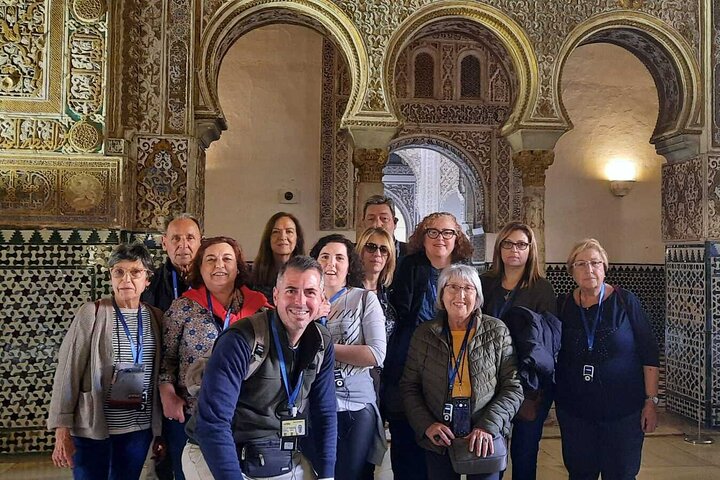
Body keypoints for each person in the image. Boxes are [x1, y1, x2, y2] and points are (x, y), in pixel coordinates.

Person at [189, 256, 338, 479]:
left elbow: (325, 413)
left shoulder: (322, 341)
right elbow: (214, 423)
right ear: (275, 296)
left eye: (310, 292)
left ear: (321, 299)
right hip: (218, 453)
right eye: (291, 291)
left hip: (278, 453)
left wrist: (327, 475)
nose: (300, 301)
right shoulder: (241, 340)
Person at [48, 243, 163, 479]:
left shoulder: (156, 317)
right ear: (111, 276)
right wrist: (62, 429)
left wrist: (159, 431)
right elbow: (68, 372)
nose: (126, 279)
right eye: (119, 272)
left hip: (137, 429)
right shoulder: (93, 312)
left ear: (147, 279)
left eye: (135, 272)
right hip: (92, 428)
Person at [159, 236, 270, 479]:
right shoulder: (182, 308)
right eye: (210, 259)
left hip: (244, 415)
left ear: (238, 267)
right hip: (193, 413)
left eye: (227, 259)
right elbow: (166, 359)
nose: (219, 265)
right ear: (200, 268)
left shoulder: (260, 309)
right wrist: (167, 394)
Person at [401, 264, 523, 480]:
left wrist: (488, 426)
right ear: (441, 294)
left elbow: (513, 387)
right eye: (453, 287)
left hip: (484, 436)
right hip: (440, 437)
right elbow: (409, 386)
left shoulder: (497, 331)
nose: (460, 295)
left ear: (477, 297)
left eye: (468, 288)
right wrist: (427, 425)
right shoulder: (424, 334)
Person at [555, 239, 659, 480]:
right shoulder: (563, 304)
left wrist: (651, 402)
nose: (589, 269)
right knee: (580, 474)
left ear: (605, 267)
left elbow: (649, 352)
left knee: (621, 473)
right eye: (581, 264)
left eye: (595, 263)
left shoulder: (625, 301)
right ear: (571, 270)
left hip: (623, 411)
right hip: (575, 411)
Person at [384, 212, 474, 480]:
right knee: (407, 447)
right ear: (422, 238)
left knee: (441, 453)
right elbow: (400, 314)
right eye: (432, 232)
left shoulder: (466, 270)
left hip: (453, 370)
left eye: (447, 232)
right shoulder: (408, 267)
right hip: (411, 363)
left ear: (457, 238)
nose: (440, 238)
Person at [480, 221, 557, 480]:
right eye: (509, 244)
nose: (515, 250)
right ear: (499, 248)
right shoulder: (485, 283)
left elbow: (547, 340)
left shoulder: (541, 288)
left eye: (521, 245)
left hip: (529, 384)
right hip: (489, 380)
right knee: (490, 453)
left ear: (530, 249)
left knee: (525, 452)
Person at [308, 234, 388, 480]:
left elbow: (376, 354)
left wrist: (326, 348)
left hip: (354, 404)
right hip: (312, 404)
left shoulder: (364, 298)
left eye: (339, 258)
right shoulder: (303, 301)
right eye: (324, 257)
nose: (331, 264)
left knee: (351, 474)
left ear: (349, 265)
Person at [143, 213, 202, 312]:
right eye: (176, 238)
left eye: (190, 238)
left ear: (201, 242)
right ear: (164, 243)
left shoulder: (212, 281)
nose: (183, 245)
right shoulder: (149, 283)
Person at [251, 212, 306, 302]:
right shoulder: (252, 275)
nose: (283, 237)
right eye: (276, 232)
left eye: (289, 231)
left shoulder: (308, 273)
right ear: (268, 239)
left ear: (297, 238)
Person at [355, 227, 398, 340]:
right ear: (361, 251)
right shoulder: (348, 289)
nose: (377, 254)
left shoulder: (390, 292)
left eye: (383, 250)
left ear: (389, 257)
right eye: (371, 247)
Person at [361, 195, 408, 262]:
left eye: (384, 218)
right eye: (371, 219)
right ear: (363, 223)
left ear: (395, 223)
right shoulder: (352, 254)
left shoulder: (411, 254)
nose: (377, 224)